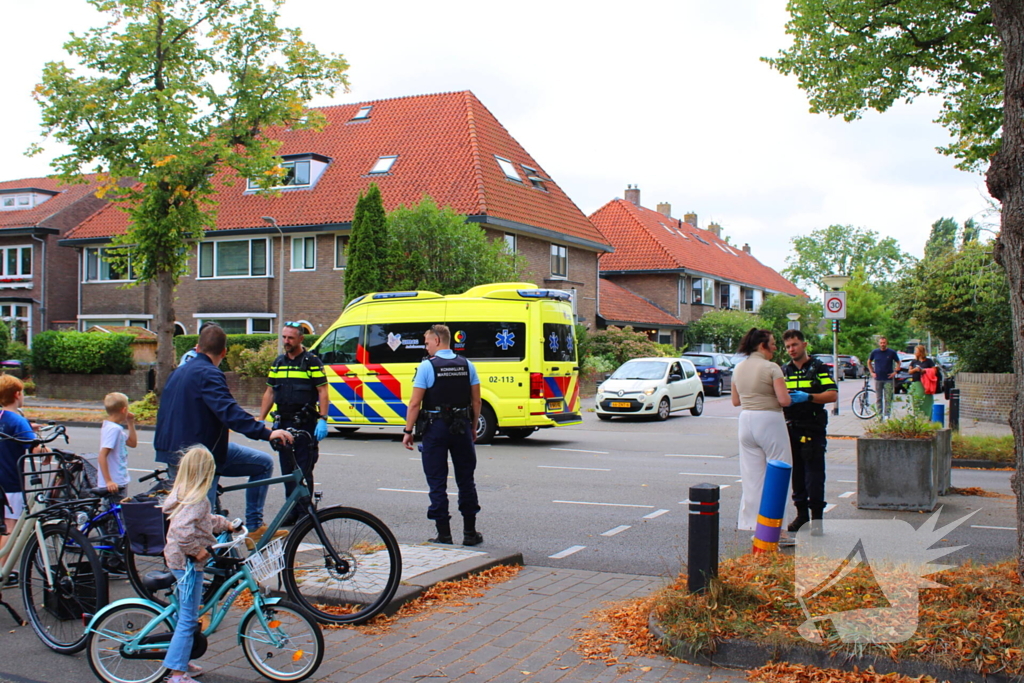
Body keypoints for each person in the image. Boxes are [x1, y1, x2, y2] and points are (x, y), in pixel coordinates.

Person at [155, 323, 292, 543]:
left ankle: (254, 529)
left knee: (261, 464)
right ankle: (200, 572)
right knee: (201, 525)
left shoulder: (177, 373)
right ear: (224, 352)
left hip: (173, 450)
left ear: (197, 347)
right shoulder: (209, 373)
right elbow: (229, 411)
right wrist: (266, 433)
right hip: (198, 457)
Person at [161, 446, 238, 683]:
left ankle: (181, 660)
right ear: (207, 473)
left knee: (185, 615)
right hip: (187, 565)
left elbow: (204, 521)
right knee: (188, 617)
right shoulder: (197, 499)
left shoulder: (184, 493)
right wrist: (198, 552)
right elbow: (183, 531)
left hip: (177, 561)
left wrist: (225, 524)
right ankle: (177, 674)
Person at [402, 324, 483, 546]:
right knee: (466, 480)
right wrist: (473, 426)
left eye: (427, 343)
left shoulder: (427, 367)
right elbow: (476, 401)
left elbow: (415, 402)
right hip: (461, 427)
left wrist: (408, 431)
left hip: (435, 428)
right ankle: (469, 533)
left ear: (437, 341)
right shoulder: (467, 365)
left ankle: (444, 534)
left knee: (437, 482)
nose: (426, 347)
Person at [259, 323, 329, 525]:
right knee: (287, 469)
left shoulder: (311, 362)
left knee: (304, 468)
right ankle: (291, 509)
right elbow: (270, 392)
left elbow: (323, 391)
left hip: (304, 423)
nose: (286, 342)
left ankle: (306, 512)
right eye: (284, 337)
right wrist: (261, 418)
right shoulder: (278, 362)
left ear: (300, 339)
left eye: (290, 338)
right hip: (283, 422)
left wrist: (323, 420)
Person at [731, 328, 793, 532]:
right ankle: (775, 529)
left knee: (752, 477)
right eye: (773, 343)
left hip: (746, 420)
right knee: (779, 473)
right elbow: (784, 401)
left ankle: (751, 525)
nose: (775, 347)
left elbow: (735, 401)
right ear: (762, 345)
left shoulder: (738, 368)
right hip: (770, 420)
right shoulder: (772, 368)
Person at [781, 330, 838, 536]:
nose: (791, 350)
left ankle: (817, 520)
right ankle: (801, 515)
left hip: (813, 426)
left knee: (814, 474)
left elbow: (832, 395)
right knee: (796, 473)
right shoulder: (784, 370)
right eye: (788, 346)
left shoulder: (818, 368)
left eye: (795, 345)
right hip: (791, 426)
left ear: (804, 344)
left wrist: (809, 397)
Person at [0, 375, 36, 554]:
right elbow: (34, 447)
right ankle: (2, 571)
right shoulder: (18, 420)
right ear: (16, 394)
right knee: (10, 524)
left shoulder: (2, 416)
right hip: (11, 480)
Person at [97, 392, 137, 499]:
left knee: (118, 511)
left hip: (119, 480)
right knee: (116, 512)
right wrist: (108, 481)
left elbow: (132, 443)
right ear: (124, 410)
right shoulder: (113, 429)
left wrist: (130, 423)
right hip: (114, 483)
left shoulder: (114, 427)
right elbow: (102, 455)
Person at [867, 336, 901, 420]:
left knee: (888, 398)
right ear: (879, 343)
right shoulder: (875, 352)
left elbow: (898, 362)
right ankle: (879, 415)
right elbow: (869, 362)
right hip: (878, 378)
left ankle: (887, 415)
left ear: (887, 343)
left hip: (888, 378)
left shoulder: (891, 352)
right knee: (879, 398)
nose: (882, 344)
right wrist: (872, 372)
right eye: (881, 343)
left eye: (884, 343)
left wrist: (895, 372)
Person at [908, 344, 938, 419]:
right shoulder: (914, 362)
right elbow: (910, 371)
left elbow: (934, 370)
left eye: (916, 351)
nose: (915, 353)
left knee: (926, 400)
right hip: (916, 382)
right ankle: (918, 416)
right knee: (917, 400)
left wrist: (925, 370)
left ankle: (928, 416)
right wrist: (915, 370)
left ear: (921, 352)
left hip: (926, 383)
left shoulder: (929, 361)